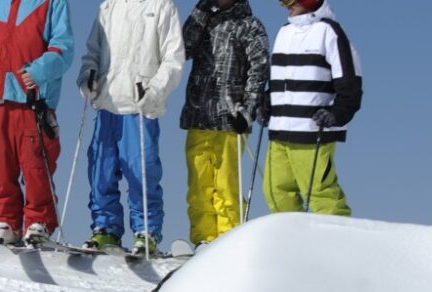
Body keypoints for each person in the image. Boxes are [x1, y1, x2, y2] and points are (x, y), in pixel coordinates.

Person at [0, 0, 76, 247]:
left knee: (36, 165)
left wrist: (39, 71)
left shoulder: (52, 3)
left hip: (32, 100)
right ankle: (6, 222)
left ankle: (39, 221)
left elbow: (63, 47)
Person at [78, 0, 186, 253]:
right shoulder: (109, 7)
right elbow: (93, 51)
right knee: (101, 170)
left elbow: (173, 59)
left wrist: (154, 91)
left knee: (142, 171)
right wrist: (88, 76)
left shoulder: (161, 6)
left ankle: (146, 231)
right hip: (107, 102)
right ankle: (106, 228)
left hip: (140, 105)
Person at [181, 0, 270, 245]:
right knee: (198, 185)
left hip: (230, 118)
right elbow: (183, 48)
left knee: (226, 185)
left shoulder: (250, 26)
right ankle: (203, 238)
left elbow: (259, 70)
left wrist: (248, 109)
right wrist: (200, 10)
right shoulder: (204, 20)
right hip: (199, 114)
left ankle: (228, 239)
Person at [264, 0, 360, 217]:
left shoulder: (329, 32)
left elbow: (350, 83)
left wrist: (337, 113)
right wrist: (268, 101)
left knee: (320, 192)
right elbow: (282, 79)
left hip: (312, 130)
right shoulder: (284, 32)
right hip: (280, 130)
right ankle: (292, 236)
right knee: (275, 191)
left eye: (291, 0)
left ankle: (338, 235)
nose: (285, 5)